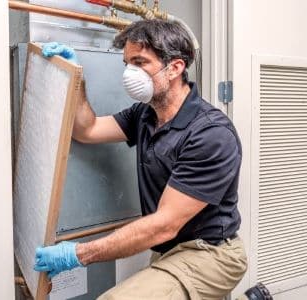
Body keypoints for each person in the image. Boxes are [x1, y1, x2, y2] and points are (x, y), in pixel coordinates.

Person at [35, 19, 247, 300]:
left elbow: (164, 224)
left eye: (140, 62)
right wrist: (76, 79)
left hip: (210, 254)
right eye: (127, 64)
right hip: (168, 250)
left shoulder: (211, 134)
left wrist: (78, 254)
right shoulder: (144, 115)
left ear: (175, 67)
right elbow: (87, 129)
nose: (129, 73)